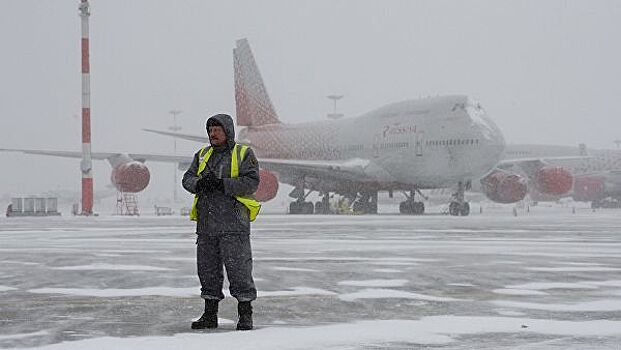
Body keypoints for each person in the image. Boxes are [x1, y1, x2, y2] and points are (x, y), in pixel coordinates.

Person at [182, 113, 260, 331]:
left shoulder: (243, 153)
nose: (212, 134)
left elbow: (252, 182)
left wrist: (223, 184)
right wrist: (199, 184)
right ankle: (210, 314)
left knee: (239, 270)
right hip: (207, 225)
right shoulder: (202, 155)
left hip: (234, 224)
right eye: (210, 130)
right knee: (207, 271)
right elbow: (187, 178)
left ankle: (245, 314)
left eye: (217, 130)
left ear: (228, 131)